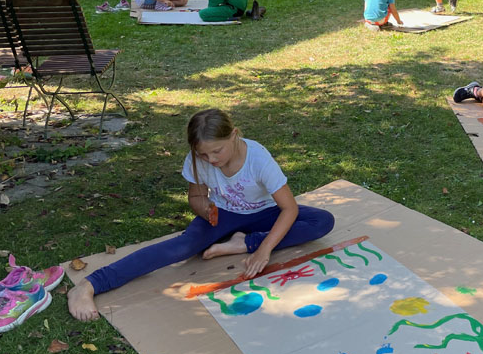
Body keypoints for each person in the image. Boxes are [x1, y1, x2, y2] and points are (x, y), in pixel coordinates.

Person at [68, 108, 336, 321]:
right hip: (222, 216)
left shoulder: (258, 158)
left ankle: (242, 242)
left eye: (217, 151)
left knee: (322, 221)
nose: (211, 160)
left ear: (234, 135)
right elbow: (196, 196)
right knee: (180, 248)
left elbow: (289, 209)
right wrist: (204, 208)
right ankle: (90, 285)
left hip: (265, 213)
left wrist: (262, 249)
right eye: (203, 154)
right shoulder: (198, 159)